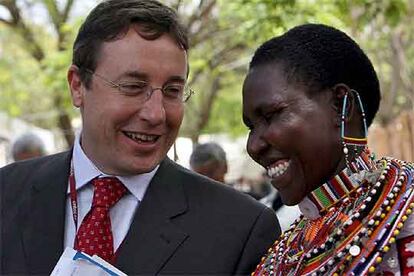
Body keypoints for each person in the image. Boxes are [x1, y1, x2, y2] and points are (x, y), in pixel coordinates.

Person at [0, 1, 280, 275]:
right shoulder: (7, 194)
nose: (156, 114)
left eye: (172, 91)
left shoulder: (241, 229)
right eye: (133, 87)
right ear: (77, 86)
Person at [242, 23, 414, 275]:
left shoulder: (405, 212)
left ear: (340, 105)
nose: (253, 145)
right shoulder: (286, 245)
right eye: (250, 127)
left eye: (270, 115)